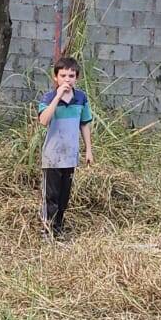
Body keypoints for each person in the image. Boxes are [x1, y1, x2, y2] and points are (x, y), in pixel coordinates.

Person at [36, 56, 94, 238]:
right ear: (55, 77)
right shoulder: (49, 97)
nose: (67, 79)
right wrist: (58, 95)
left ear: (77, 77)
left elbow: (84, 123)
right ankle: (47, 231)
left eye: (71, 75)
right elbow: (43, 120)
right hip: (52, 157)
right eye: (63, 75)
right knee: (50, 197)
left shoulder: (81, 98)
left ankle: (58, 229)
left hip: (70, 156)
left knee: (63, 198)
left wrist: (89, 150)